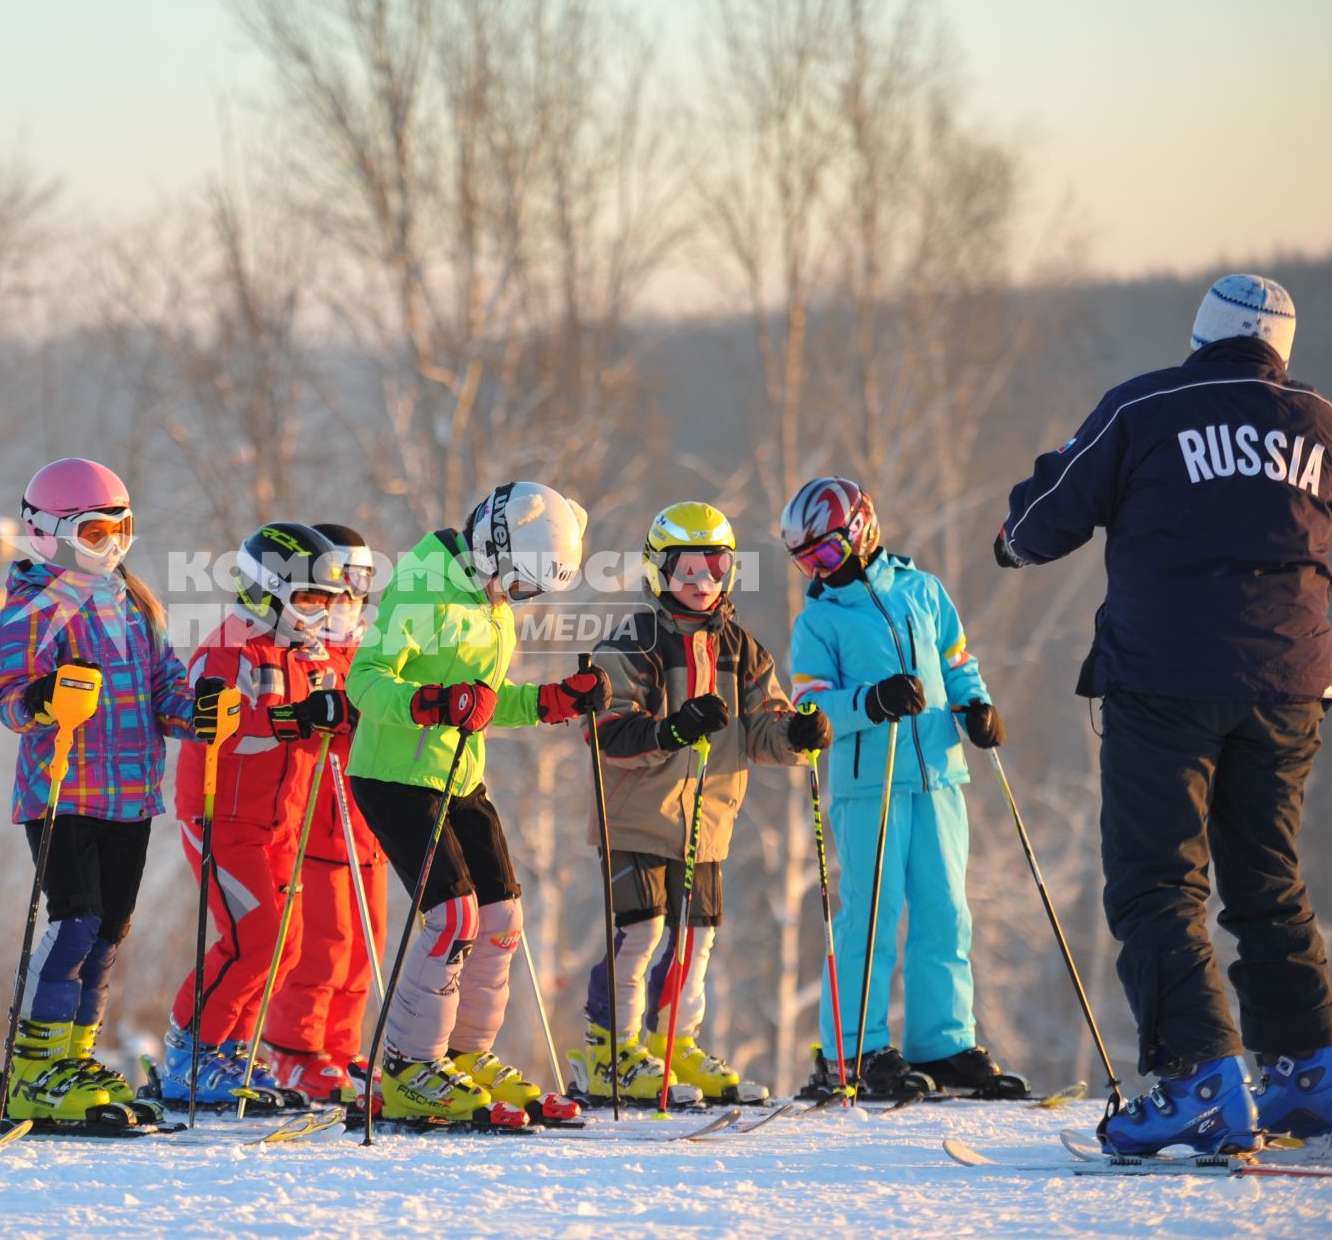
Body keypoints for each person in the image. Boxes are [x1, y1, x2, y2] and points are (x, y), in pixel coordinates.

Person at [997, 274, 1332, 1153]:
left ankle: (1198, 1082)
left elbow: (1042, 520)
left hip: (1167, 682)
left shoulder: (1147, 405)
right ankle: (1310, 1077)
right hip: (1294, 683)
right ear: (1283, 347)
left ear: (1201, 331)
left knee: (1158, 879)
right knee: (1268, 876)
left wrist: (1009, 538)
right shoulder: (1324, 422)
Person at [346, 480, 604, 1125]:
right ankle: (409, 1069)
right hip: (394, 774)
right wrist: (433, 704)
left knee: (501, 918)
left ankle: (465, 1055)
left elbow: (481, 702)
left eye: (531, 591)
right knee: (454, 917)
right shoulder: (424, 584)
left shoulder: (486, 595)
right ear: (493, 549)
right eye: (520, 584)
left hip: (458, 774)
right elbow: (365, 681)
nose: (519, 598)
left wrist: (549, 701)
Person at [579, 502, 828, 1104]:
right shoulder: (635, 640)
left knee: (696, 938)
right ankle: (611, 1053)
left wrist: (795, 735)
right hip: (638, 816)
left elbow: (763, 727)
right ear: (657, 572)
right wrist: (671, 729)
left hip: (708, 822)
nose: (699, 584)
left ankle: (675, 1045)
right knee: (641, 932)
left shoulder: (742, 649)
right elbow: (607, 729)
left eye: (714, 568)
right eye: (684, 571)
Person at [783, 476, 1017, 1099]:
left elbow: (958, 662)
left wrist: (976, 707)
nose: (819, 569)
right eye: (806, 560)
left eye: (827, 553)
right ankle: (855, 1048)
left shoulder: (925, 591)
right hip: (869, 785)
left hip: (938, 773)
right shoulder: (819, 621)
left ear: (861, 531)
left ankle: (942, 1043)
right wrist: (871, 699)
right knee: (872, 912)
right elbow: (810, 705)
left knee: (946, 910)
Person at [0, 458, 208, 1123]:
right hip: (62, 790)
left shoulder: (135, 599)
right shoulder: (33, 606)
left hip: (130, 793)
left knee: (109, 930)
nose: (111, 544)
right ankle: (35, 1066)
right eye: (93, 531)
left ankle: (74, 1055)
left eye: (122, 528)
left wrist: (196, 710)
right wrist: (47, 698)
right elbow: (12, 700)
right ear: (49, 533)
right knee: (74, 922)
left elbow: (163, 683)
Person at [154, 522, 354, 1106]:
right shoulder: (231, 646)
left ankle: (232, 1054)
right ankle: (192, 1052)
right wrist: (296, 720)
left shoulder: (307, 656)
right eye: (309, 597)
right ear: (268, 588)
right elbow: (220, 728)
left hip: (279, 823)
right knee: (254, 938)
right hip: (222, 817)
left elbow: (326, 732)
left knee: (285, 946)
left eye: (327, 600)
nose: (319, 612)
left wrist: (349, 723)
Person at [260, 523, 389, 1102]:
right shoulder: (303, 649)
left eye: (361, 584)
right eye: (339, 585)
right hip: (316, 819)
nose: (348, 599)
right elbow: (286, 715)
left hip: (370, 824)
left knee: (366, 944)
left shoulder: (374, 648)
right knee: (324, 944)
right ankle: (295, 1050)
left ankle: (343, 1048)